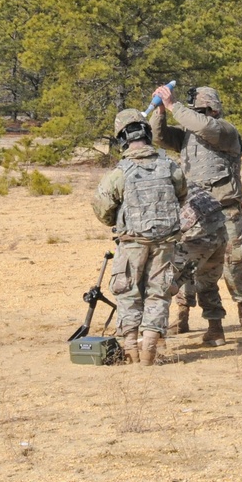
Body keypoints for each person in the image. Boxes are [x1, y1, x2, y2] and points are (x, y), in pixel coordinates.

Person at [149, 85, 242, 331]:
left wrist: (173, 105)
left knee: (233, 261)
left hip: (225, 208)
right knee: (186, 262)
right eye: (194, 110)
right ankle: (183, 314)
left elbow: (205, 127)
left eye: (201, 110)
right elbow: (159, 137)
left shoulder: (225, 131)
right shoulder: (188, 135)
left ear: (213, 109)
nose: (196, 114)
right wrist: (160, 111)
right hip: (195, 213)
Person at [92, 109, 187, 365]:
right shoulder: (171, 167)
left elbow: (102, 209)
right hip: (165, 243)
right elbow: (181, 195)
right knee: (159, 293)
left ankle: (131, 350)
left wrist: (120, 219)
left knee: (128, 292)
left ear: (122, 137)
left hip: (132, 243)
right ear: (146, 133)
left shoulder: (120, 173)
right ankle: (149, 351)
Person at [169, 181, 229, 346]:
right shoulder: (180, 179)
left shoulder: (158, 185)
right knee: (207, 282)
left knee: (165, 282)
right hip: (220, 233)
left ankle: (156, 337)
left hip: (197, 237)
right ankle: (215, 331)